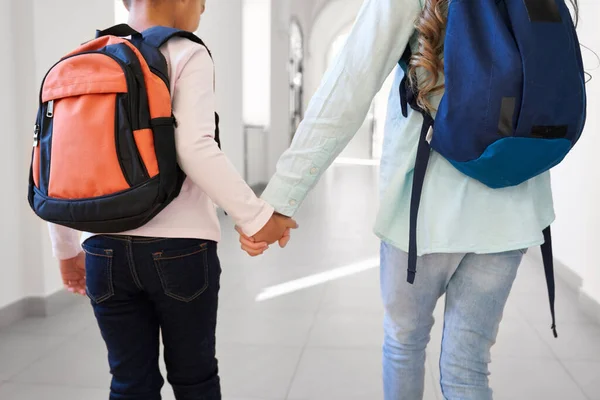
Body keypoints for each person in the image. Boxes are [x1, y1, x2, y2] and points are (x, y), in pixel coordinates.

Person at [239, 0, 581, 399]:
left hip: (423, 211)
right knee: (468, 366)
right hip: (512, 209)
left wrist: (281, 199)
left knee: (404, 343)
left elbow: (349, 85)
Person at [49, 0, 296, 399]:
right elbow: (194, 148)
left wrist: (65, 248)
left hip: (103, 252)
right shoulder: (186, 52)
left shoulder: (85, 58)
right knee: (194, 379)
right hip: (180, 250)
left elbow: (62, 164)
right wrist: (256, 217)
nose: (203, 9)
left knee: (129, 382)